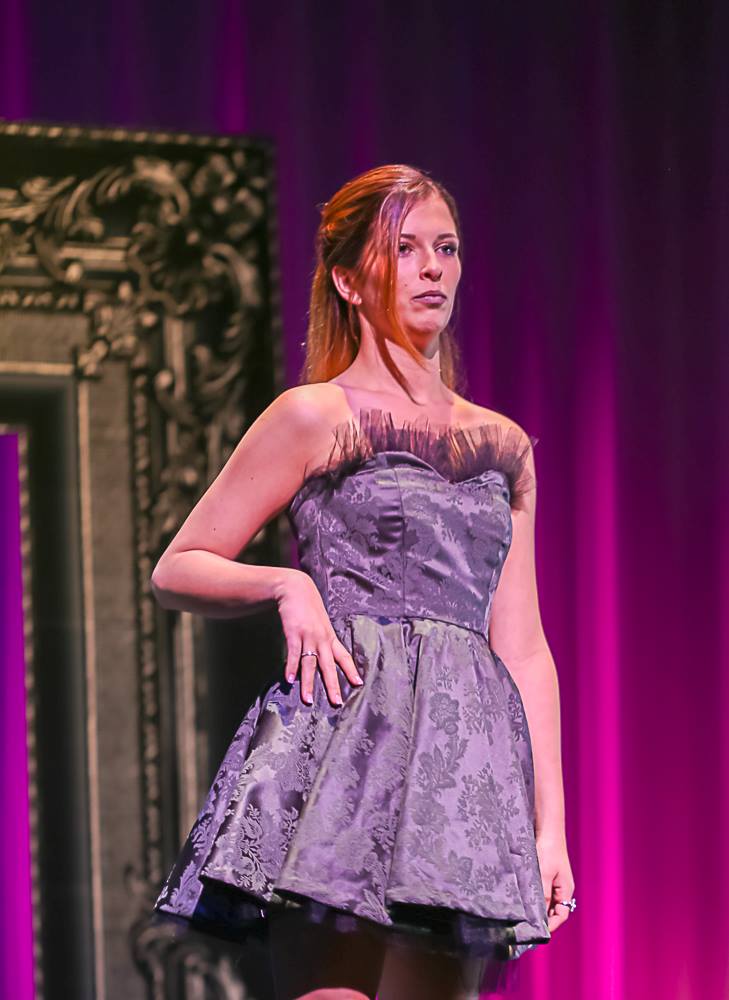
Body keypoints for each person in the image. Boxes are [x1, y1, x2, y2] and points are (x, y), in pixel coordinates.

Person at [150, 164, 575, 1000]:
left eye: (445, 249)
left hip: (460, 770)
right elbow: (178, 567)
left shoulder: (504, 445)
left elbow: (522, 646)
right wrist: (286, 587)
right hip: (341, 747)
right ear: (347, 277)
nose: (431, 269)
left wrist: (547, 827)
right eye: (405, 248)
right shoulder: (313, 414)